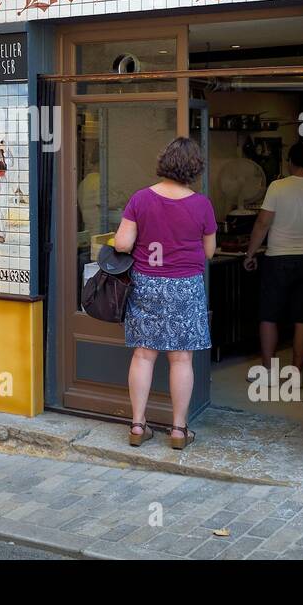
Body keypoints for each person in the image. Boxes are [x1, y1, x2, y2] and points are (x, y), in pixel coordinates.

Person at [112, 137, 217, 450]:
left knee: (144, 354)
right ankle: (178, 430)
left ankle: (137, 425)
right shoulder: (202, 205)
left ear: (163, 163)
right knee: (181, 358)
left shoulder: (141, 199)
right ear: (194, 169)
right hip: (185, 286)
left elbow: (121, 244)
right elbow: (209, 252)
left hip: (148, 283)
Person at [244, 138, 303, 371]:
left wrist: (250, 253)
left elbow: (263, 223)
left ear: (290, 162)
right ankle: (296, 371)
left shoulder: (278, 187)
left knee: (269, 315)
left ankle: (267, 370)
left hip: (278, 258)